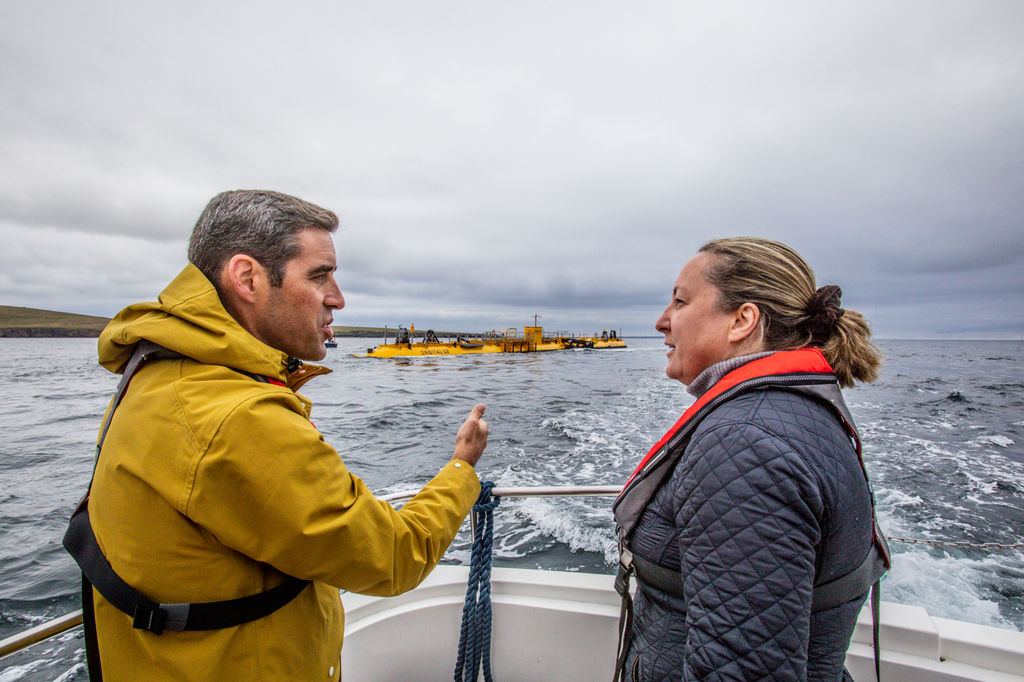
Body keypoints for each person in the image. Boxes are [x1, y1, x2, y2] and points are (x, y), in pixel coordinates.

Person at [65, 190, 489, 680]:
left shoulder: (160, 371)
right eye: (319, 275)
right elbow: (394, 556)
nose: (338, 298)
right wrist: (462, 467)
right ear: (248, 278)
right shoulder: (239, 417)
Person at [613, 237, 889, 681]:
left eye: (680, 302)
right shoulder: (793, 410)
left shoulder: (743, 443)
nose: (662, 321)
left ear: (742, 320)